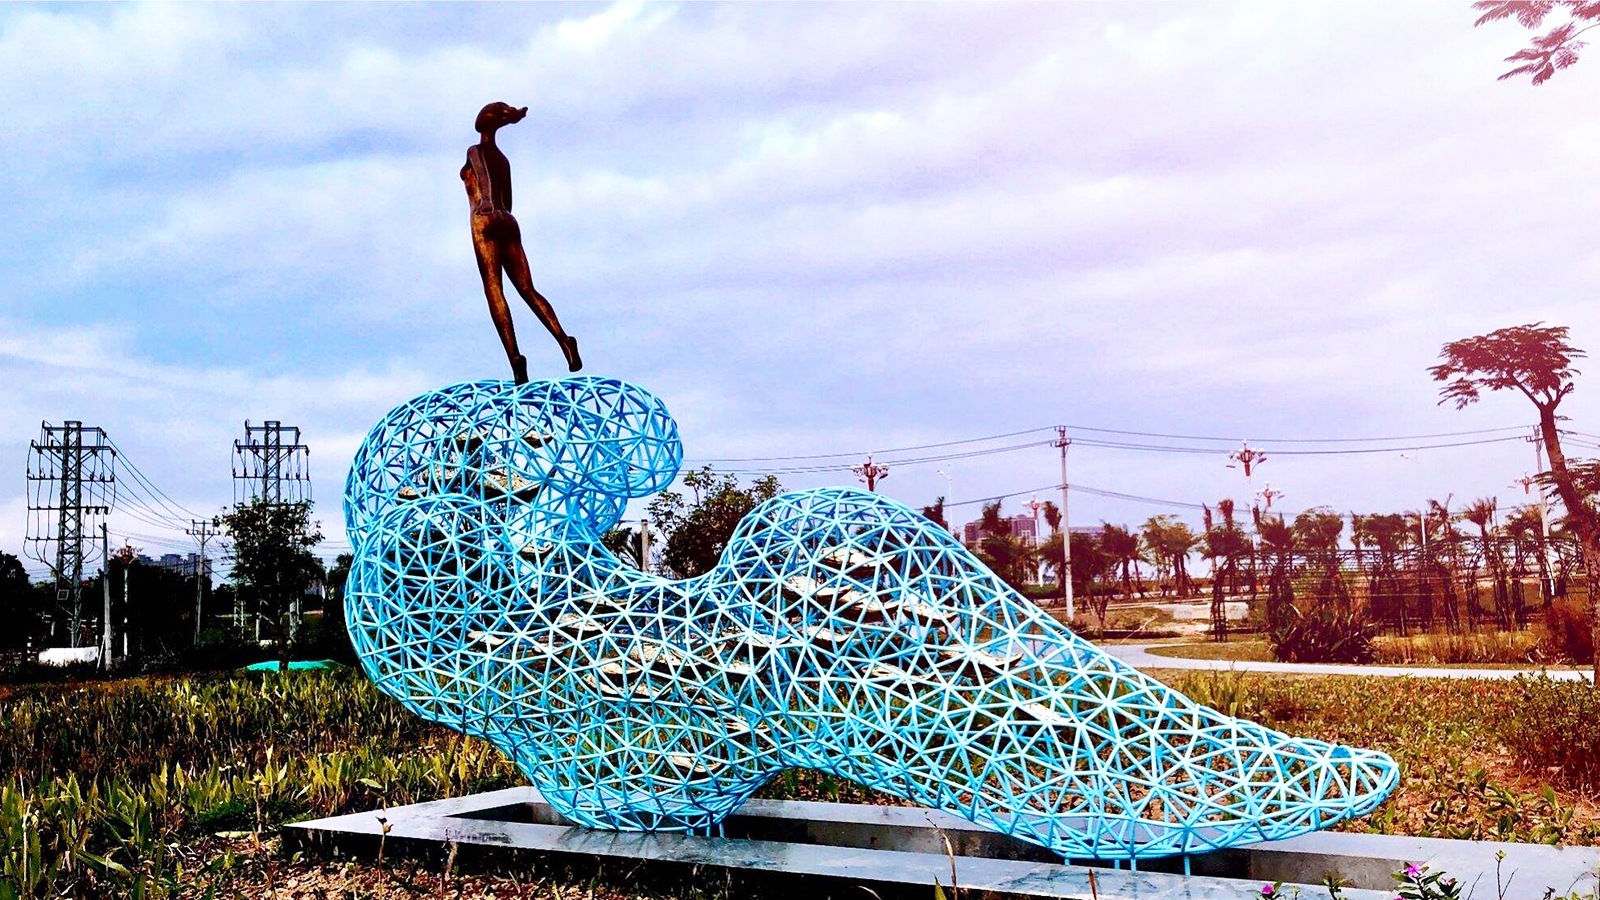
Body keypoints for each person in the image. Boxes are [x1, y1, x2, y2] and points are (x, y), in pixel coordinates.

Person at [463, 101, 582, 381]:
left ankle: (516, 360)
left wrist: (487, 204)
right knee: (528, 289)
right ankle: (565, 340)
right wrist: (499, 209)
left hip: (484, 218)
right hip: (509, 221)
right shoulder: (504, 160)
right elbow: (511, 201)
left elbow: (480, 173)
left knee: (494, 290)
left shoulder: (474, 151)